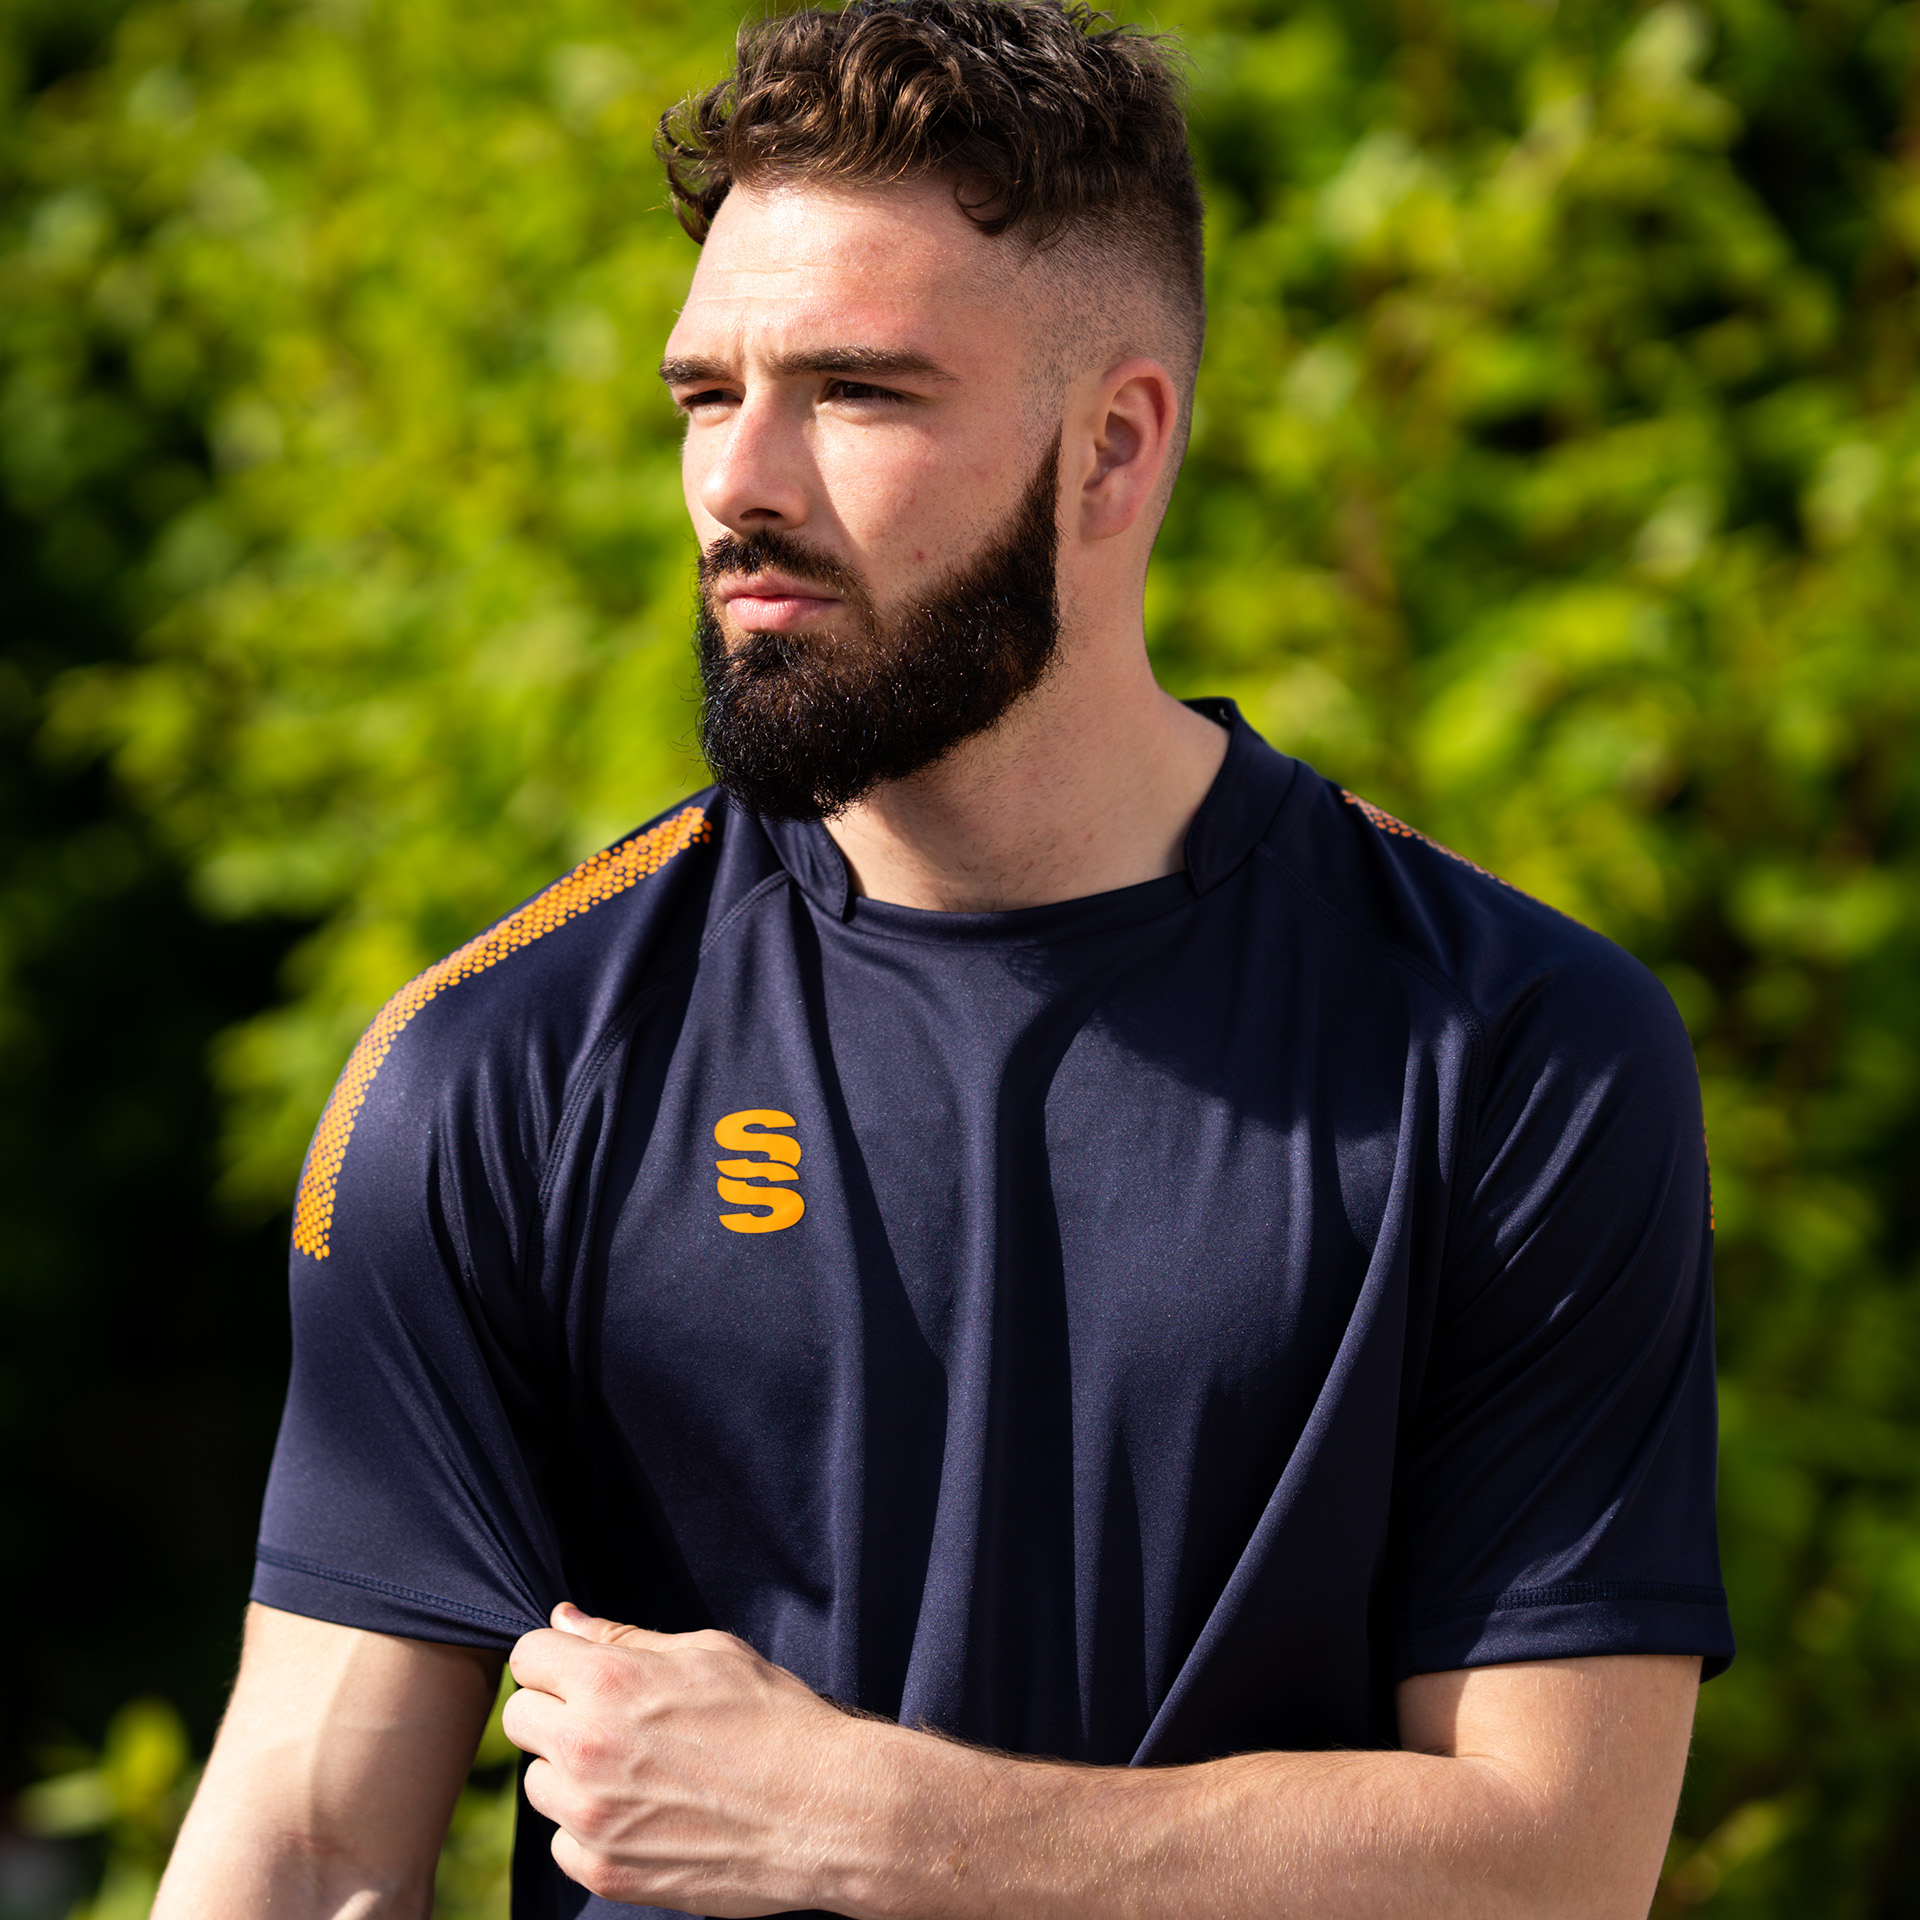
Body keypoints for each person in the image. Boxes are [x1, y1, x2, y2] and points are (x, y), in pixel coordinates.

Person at [155, 3, 1733, 1916]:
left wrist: (868, 1821)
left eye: (857, 392)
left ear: (1114, 448)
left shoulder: (1515, 1051)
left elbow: (1553, 1869)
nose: (740, 482)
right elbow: (313, 1843)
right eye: (703, 395)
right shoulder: (505, 1060)